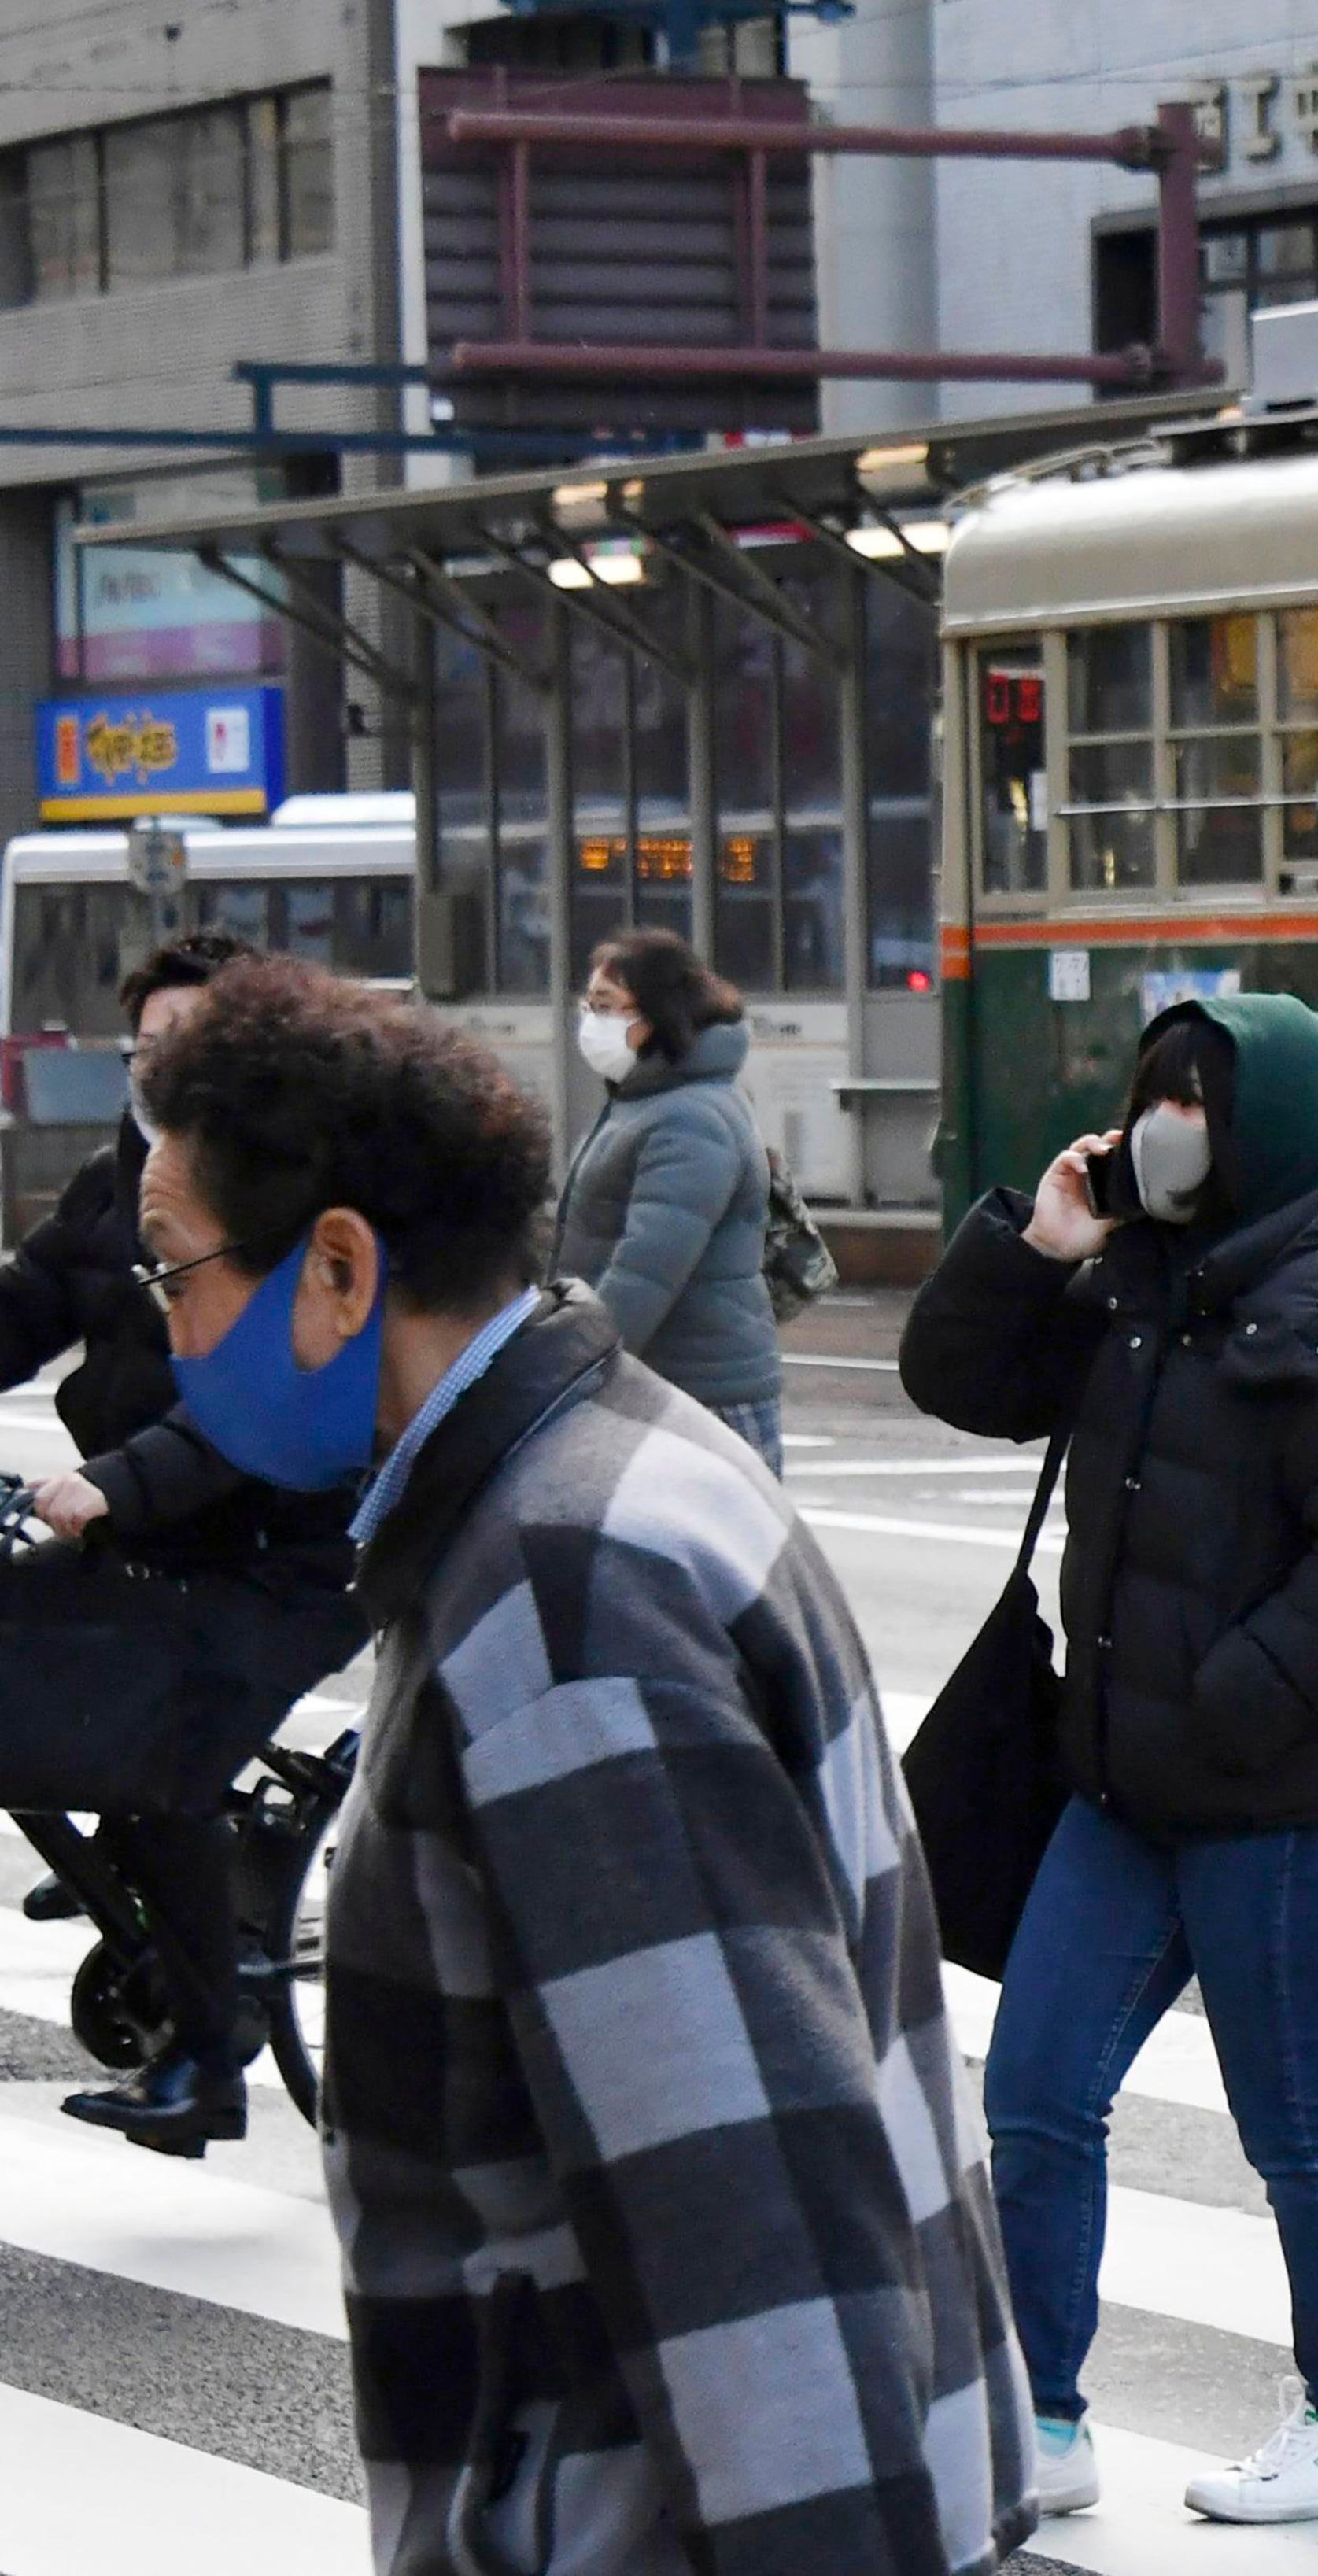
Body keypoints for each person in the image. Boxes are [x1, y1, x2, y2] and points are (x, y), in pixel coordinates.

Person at [134, 955, 1028, 2574]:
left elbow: (749, 2213)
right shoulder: (605, 1464)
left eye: (172, 1270)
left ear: (339, 1265)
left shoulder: (562, 1591)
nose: (170, 1331)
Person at [901, 991, 1318, 2522]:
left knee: (1296, 2126)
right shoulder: (1141, 1280)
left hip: (1282, 1799)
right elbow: (955, 1382)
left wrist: (1222, 1702)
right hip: (1124, 1784)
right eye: (1151, 1096)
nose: (1163, 1127)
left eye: (1195, 1103)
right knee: (1034, 2089)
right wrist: (1041, 1239)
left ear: (1266, 1123)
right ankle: (1045, 2416)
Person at [0, 930, 367, 2153]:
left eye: (190, 1045)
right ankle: (128, 1849)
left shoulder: (293, 1193)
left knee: (163, 1762)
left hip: (283, 1550)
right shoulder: (124, 1177)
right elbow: (34, 1298)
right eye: (144, 1044)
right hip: (153, 1540)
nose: (160, 1067)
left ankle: (210, 2055)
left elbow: (267, 1403)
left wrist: (111, 1484)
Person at [553, 926, 784, 1469]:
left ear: (655, 1012)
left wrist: (571, 1366)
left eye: (606, 1006)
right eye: (588, 1005)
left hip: (702, 1395)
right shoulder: (646, 1101)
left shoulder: (689, 1117)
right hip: (659, 1383)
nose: (591, 1022)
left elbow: (646, 1269)